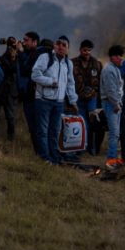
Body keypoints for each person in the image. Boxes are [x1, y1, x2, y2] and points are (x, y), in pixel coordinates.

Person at [31, 35, 79, 164]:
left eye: (64, 45)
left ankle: (54, 157)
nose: (61, 47)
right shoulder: (45, 58)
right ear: (54, 46)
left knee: (55, 131)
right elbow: (35, 75)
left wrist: (73, 100)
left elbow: (70, 83)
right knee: (43, 131)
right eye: (58, 44)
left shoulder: (68, 63)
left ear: (68, 49)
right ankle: (45, 157)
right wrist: (50, 82)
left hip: (59, 102)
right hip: (43, 100)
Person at [72, 40, 104, 155]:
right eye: (85, 50)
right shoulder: (73, 63)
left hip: (92, 98)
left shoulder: (97, 64)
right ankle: (80, 149)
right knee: (81, 123)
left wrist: (100, 99)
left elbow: (101, 82)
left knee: (93, 123)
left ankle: (92, 149)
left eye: (89, 50)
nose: (87, 52)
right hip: (78, 98)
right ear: (80, 50)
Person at [16, 31, 44, 155]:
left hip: (35, 97)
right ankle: (38, 152)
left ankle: (42, 152)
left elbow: (28, 69)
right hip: (26, 95)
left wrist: (21, 53)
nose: (24, 42)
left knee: (38, 126)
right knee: (32, 127)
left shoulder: (38, 55)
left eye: (26, 40)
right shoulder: (27, 53)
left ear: (34, 42)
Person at [101, 45, 125, 167]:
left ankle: (114, 158)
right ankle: (111, 160)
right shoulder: (108, 70)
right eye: (118, 56)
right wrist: (116, 103)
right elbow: (110, 90)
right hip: (111, 104)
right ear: (112, 57)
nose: (121, 58)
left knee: (116, 133)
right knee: (114, 133)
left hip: (116, 103)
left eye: (121, 55)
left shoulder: (116, 68)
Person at [0, 39, 21, 143]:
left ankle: (11, 137)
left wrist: (14, 58)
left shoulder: (18, 57)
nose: (11, 48)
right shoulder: (3, 57)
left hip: (9, 91)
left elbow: (14, 70)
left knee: (10, 116)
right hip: (0, 90)